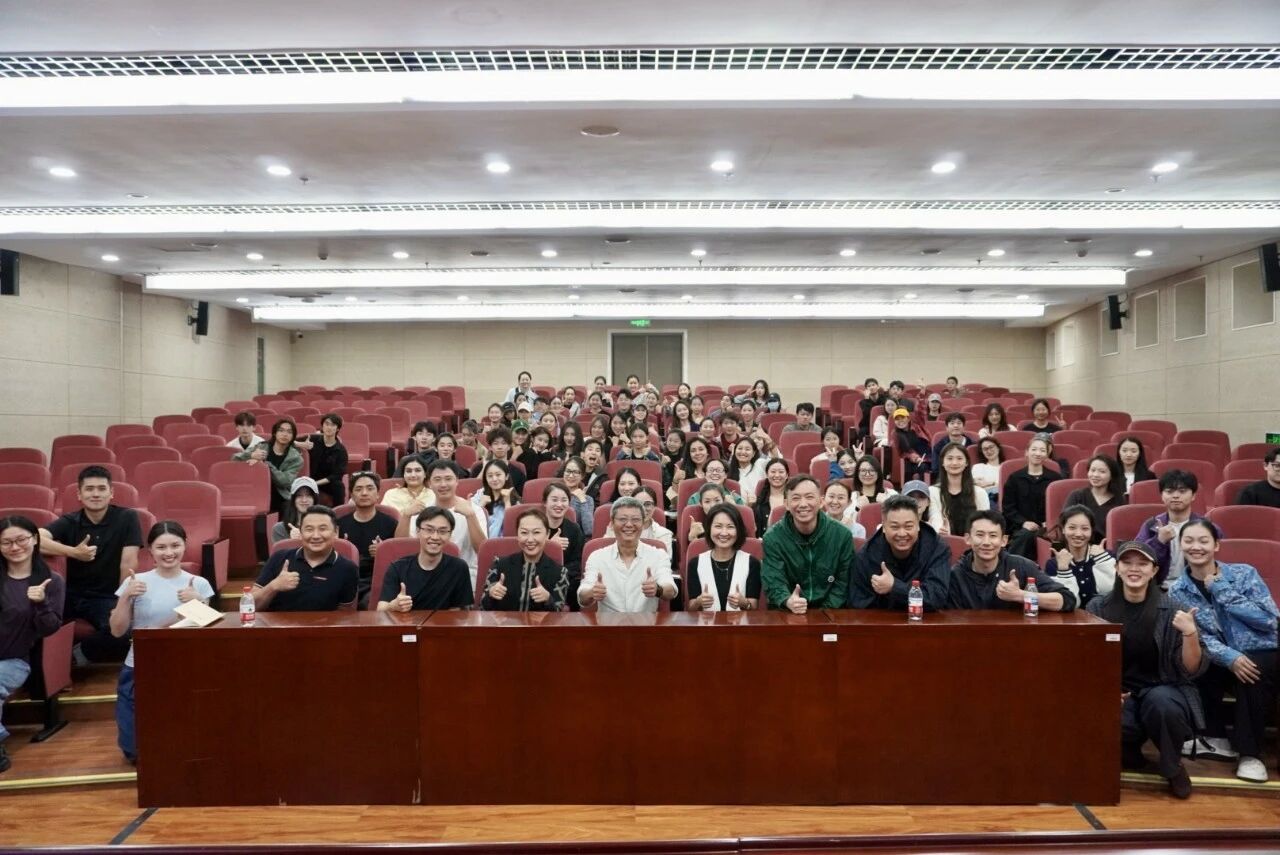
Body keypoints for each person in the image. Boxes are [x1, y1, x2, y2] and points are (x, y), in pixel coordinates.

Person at [1087, 540, 1207, 799]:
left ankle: (1173, 766)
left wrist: (1190, 633)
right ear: (1117, 568)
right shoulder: (1097, 608)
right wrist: (1105, 691)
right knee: (1103, 710)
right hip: (1119, 691)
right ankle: (1129, 747)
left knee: (1163, 704)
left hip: (1162, 688)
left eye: (1142, 564)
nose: (1134, 569)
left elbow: (1191, 669)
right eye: (1127, 563)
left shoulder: (1174, 609)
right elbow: (1087, 662)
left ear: (1154, 571)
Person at [1168, 520, 1277, 782]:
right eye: (1189, 541)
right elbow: (1200, 636)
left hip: (1263, 650)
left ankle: (1250, 755)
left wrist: (1221, 589)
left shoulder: (1243, 574)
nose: (1196, 547)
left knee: (1252, 670)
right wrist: (1230, 657)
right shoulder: (1177, 590)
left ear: (1216, 545)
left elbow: (1268, 620)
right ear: (1181, 545)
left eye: (1203, 541)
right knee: (1195, 659)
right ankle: (1216, 738)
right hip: (1221, 657)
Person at [109, 520, 214, 764]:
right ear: (150, 550)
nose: (169, 553)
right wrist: (126, 596)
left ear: (185, 545)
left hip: (183, 664)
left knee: (183, 741)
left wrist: (198, 602)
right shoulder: (135, 581)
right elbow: (116, 630)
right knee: (134, 750)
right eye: (161, 547)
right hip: (140, 664)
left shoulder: (198, 584)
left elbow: (206, 630)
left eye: (175, 545)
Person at [39, 465, 141, 664]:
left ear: (111, 493)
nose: (95, 494)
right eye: (89, 489)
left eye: (102, 489)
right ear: (79, 494)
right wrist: (73, 552)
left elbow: (128, 563)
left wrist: (122, 602)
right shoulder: (70, 521)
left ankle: (69, 660)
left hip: (106, 596)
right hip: (70, 594)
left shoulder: (127, 517)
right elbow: (34, 539)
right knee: (29, 614)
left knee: (122, 632)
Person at [0, 516, 65, 774]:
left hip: (14, 659)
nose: (15, 547)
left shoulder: (51, 580)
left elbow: (51, 628)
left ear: (35, 539)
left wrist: (41, 603)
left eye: (21, 540)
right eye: (6, 542)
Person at [946, 510, 1075, 612]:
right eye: (980, 535)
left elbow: (1066, 599)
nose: (986, 542)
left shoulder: (1022, 566)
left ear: (1004, 541)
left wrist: (1020, 595)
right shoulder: (955, 575)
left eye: (993, 536)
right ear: (968, 539)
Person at [762, 475, 854, 613]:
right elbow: (773, 580)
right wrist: (787, 600)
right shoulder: (773, 538)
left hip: (831, 612)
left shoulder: (842, 535)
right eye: (796, 498)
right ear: (786, 504)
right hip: (788, 611)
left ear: (821, 501)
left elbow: (843, 582)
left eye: (809, 497)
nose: (803, 504)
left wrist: (824, 611)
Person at [849, 495, 950, 612]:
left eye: (908, 526)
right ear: (884, 527)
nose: (902, 533)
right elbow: (858, 604)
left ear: (918, 525)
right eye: (895, 527)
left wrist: (894, 586)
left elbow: (937, 597)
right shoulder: (867, 555)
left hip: (924, 619)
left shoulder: (936, 548)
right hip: (883, 620)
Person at [396, 461, 487, 587]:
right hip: (425, 576)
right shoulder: (421, 509)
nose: (443, 484)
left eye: (448, 479)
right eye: (437, 480)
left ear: (457, 481)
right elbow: (401, 547)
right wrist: (406, 516)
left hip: (464, 577)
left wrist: (470, 516)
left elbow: (482, 550)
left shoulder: (473, 510)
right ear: (429, 483)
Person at [579, 497, 676, 613]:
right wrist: (592, 592)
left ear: (643, 523)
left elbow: (671, 590)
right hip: (608, 622)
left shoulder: (658, 555)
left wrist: (658, 590)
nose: (629, 524)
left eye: (635, 519)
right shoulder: (597, 557)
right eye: (622, 519)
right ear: (612, 523)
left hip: (646, 622)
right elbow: (583, 596)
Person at [253, 506, 358, 612]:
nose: (316, 536)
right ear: (301, 532)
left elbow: (344, 613)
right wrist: (273, 586)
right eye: (309, 529)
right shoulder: (279, 558)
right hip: (277, 622)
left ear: (336, 532)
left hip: (324, 623)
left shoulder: (348, 569)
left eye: (322, 529)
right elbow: (251, 606)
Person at [378, 507, 472, 611]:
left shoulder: (459, 568)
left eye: (442, 531)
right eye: (429, 530)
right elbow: (380, 609)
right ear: (418, 531)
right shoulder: (398, 568)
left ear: (450, 535)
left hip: (444, 621)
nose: (435, 537)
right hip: (405, 620)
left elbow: (460, 612)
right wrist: (393, 606)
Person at [1136, 469, 1222, 583]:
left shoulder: (1207, 526)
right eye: (1169, 491)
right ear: (1162, 496)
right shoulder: (1151, 525)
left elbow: (1220, 561)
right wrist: (1159, 541)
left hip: (1196, 586)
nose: (1176, 496)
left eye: (1182, 491)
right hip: (1157, 587)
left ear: (1193, 495)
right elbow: (1138, 560)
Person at [481, 507, 572, 612]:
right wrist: (491, 594)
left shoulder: (560, 573)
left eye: (536, 532)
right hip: (505, 622)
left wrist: (548, 599)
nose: (530, 539)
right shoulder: (499, 565)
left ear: (547, 534)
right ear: (517, 535)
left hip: (541, 623)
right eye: (524, 533)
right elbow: (483, 607)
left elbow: (559, 615)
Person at [336, 471, 399, 608]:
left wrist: (383, 553)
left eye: (370, 488)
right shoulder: (339, 524)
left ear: (378, 494)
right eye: (358, 489)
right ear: (352, 495)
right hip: (345, 575)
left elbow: (399, 558)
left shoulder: (391, 523)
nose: (364, 493)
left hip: (376, 577)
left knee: (368, 601)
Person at [686, 503, 762, 612]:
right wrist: (698, 602)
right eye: (718, 526)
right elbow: (691, 610)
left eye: (730, 527)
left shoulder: (752, 563)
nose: (724, 533)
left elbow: (754, 608)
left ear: (738, 530)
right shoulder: (695, 563)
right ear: (709, 528)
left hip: (740, 622)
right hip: (706, 622)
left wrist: (744, 603)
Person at [1001, 435, 1062, 560]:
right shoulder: (1015, 478)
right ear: (1027, 452)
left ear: (1047, 454)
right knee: (1026, 535)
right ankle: (1010, 563)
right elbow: (1008, 508)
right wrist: (1024, 522)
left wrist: (1050, 522)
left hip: (1048, 527)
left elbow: (1059, 506)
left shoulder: (1055, 478)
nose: (1037, 453)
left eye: (1042, 450)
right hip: (1020, 526)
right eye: (1034, 449)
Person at [1045, 505, 1116, 608]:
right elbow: (1063, 602)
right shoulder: (1054, 564)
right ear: (1063, 529)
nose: (1078, 534)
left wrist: (1103, 560)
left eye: (1085, 528)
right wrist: (1063, 570)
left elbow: (1113, 593)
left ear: (1092, 531)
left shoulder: (1106, 557)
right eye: (1072, 528)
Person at [233, 417, 304, 515]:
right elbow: (235, 459)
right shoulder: (262, 446)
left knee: (289, 508)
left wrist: (265, 464)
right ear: (275, 433)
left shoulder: (296, 458)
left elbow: (284, 482)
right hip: (257, 491)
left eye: (289, 432)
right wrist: (251, 455)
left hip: (280, 496)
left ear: (293, 436)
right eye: (281, 430)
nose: (285, 434)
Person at [928, 442, 990, 536]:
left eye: (959, 458)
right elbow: (935, 516)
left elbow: (984, 522)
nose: (954, 463)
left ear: (966, 463)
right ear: (942, 462)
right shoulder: (933, 491)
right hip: (944, 539)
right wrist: (940, 528)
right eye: (950, 458)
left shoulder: (980, 493)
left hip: (972, 541)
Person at [1065, 455, 1127, 543]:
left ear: (1112, 475)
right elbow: (1065, 524)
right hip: (1078, 544)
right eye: (1092, 470)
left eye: (1102, 471)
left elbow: (1120, 533)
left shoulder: (1119, 500)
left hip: (1107, 547)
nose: (1095, 475)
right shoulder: (1077, 496)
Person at [293, 413, 348, 506]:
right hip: (309, 478)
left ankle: (338, 513)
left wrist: (315, 483)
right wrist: (301, 444)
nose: (329, 427)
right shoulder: (312, 439)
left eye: (333, 425)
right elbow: (289, 441)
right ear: (322, 426)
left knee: (338, 486)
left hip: (326, 482)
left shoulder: (341, 450)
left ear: (337, 429)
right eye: (326, 424)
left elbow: (337, 475)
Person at [541, 481, 585, 599]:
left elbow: (577, 562)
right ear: (545, 502)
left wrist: (558, 574)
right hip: (536, 576)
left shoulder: (574, 529)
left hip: (564, 579)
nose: (559, 504)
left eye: (564, 500)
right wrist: (549, 546)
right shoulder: (534, 527)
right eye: (554, 500)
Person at [603, 486, 673, 559]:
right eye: (638, 504)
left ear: (654, 507)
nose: (643, 509)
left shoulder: (663, 534)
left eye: (647, 504)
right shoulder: (616, 528)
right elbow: (605, 556)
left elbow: (665, 562)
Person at [472, 460, 519, 539]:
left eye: (498, 475)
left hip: (503, 543)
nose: (494, 479)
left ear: (506, 476)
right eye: (490, 476)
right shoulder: (479, 495)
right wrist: (481, 505)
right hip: (480, 541)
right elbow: (470, 523)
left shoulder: (515, 500)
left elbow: (512, 530)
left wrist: (507, 502)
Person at [473, 426, 526, 492]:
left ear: (509, 446)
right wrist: (484, 470)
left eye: (503, 443)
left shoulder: (518, 473)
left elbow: (521, 497)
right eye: (495, 443)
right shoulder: (478, 468)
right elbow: (471, 492)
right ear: (490, 447)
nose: (500, 447)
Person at [270, 477, 319, 545]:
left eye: (308, 495)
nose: (304, 500)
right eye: (299, 496)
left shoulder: (324, 527)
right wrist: (292, 542)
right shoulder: (280, 529)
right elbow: (280, 552)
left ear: (314, 499)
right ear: (293, 500)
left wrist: (301, 540)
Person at [556, 457, 596, 537]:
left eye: (575, 472)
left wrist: (582, 500)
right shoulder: (555, 494)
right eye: (568, 471)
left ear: (582, 476)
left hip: (575, 539)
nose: (571, 476)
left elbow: (589, 530)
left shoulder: (588, 499)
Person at [753, 458, 791, 533]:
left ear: (787, 475)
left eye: (781, 472)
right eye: (773, 472)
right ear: (767, 474)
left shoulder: (793, 500)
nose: (777, 475)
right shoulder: (759, 502)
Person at [727, 437, 768, 505]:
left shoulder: (760, 464)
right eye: (740, 448)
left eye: (747, 449)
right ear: (734, 451)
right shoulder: (729, 472)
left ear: (753, 453)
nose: (743, 452)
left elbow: (777, 463)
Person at [929, 413, 971, 479]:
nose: (956, 426)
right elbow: (935, 469)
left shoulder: (972, 445)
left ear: (964, 427)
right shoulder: (939, 447)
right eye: (952, 423)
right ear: (947, 428)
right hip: (945, 479)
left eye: (959, 423)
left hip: (969, 478)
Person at [971, 436, 1005, 504]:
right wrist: (996, 485)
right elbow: (978, 485)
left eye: (991, 447)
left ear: (998, 448)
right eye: (985, 449)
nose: (989, 451)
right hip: (984, 499)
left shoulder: (1006, 467)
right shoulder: (978, 467)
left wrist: (991, 483)